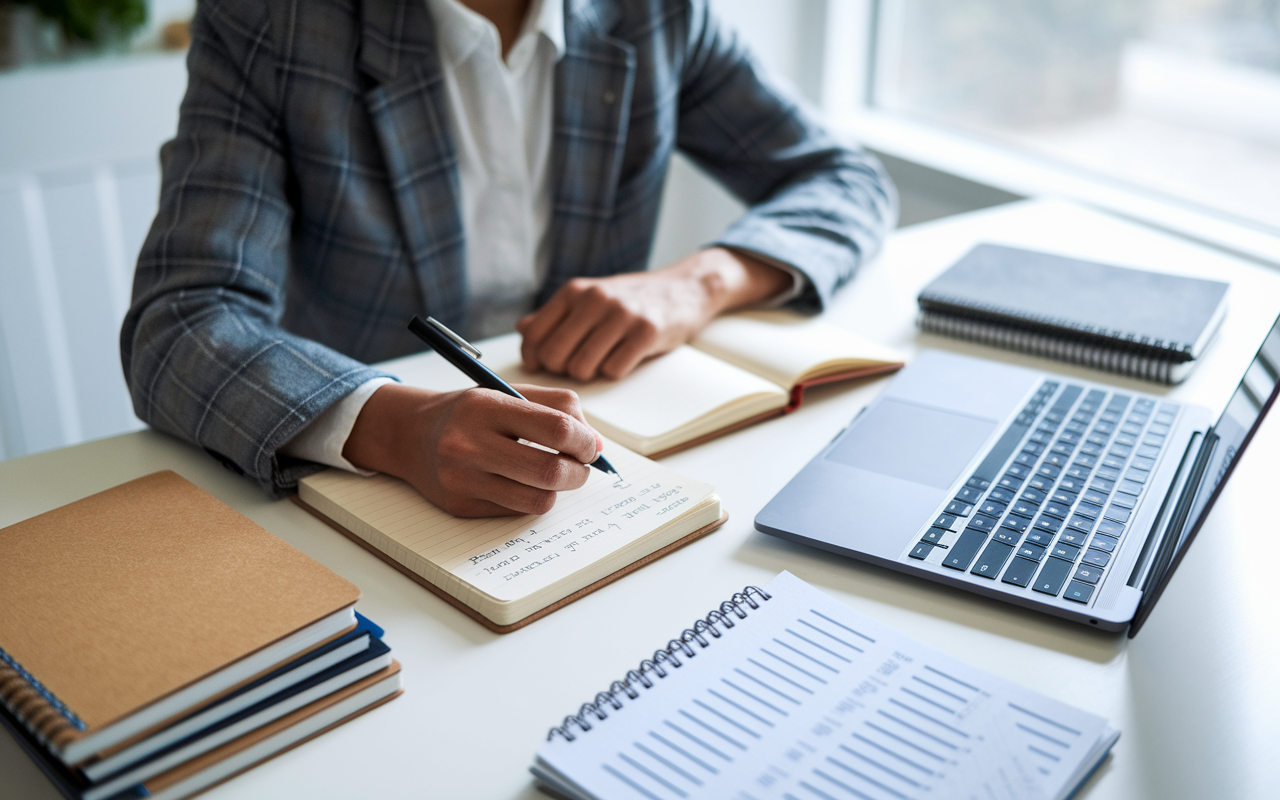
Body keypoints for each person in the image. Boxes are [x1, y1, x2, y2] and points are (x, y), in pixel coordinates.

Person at [119, 0, 896, 516]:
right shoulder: (273, 21)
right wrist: (396, 427)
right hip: (366, 482)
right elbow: (180, 321)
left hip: (601, 452)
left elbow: (845, 179)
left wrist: (696, 283)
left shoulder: (656, 12)